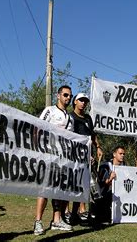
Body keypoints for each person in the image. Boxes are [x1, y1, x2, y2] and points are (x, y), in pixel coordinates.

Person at [33, 85, 74, 235]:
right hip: (48, 156)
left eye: (70, 96)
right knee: (44, 189)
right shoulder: (49, 110)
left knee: (59, 190)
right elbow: (37, 128)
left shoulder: (70, 117)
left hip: (63, 159)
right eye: (65, 95)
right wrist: (36, 149)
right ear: (58, 95)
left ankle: (57, 220)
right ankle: (38, 221)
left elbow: (71, 139)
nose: (68, 98)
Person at [67, 93, 103, 225]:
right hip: (74, 156)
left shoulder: (88, 118)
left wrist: (98, 147)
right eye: (81, 100)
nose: (83, 103)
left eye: (85, 101)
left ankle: (79, 213)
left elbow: (92, 135)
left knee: (85, 187)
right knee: (74, 186)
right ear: (75, 102)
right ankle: (69, 214)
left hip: (89, 157)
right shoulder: (70, 117)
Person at [95, 145, 126, 224]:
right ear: (114, 154)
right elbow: (101, 184)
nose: (122, 155)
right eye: (120, 153)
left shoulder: (124, 166)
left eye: (123, 154)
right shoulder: (106, 166)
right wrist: (111, 178)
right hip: (106, 193)